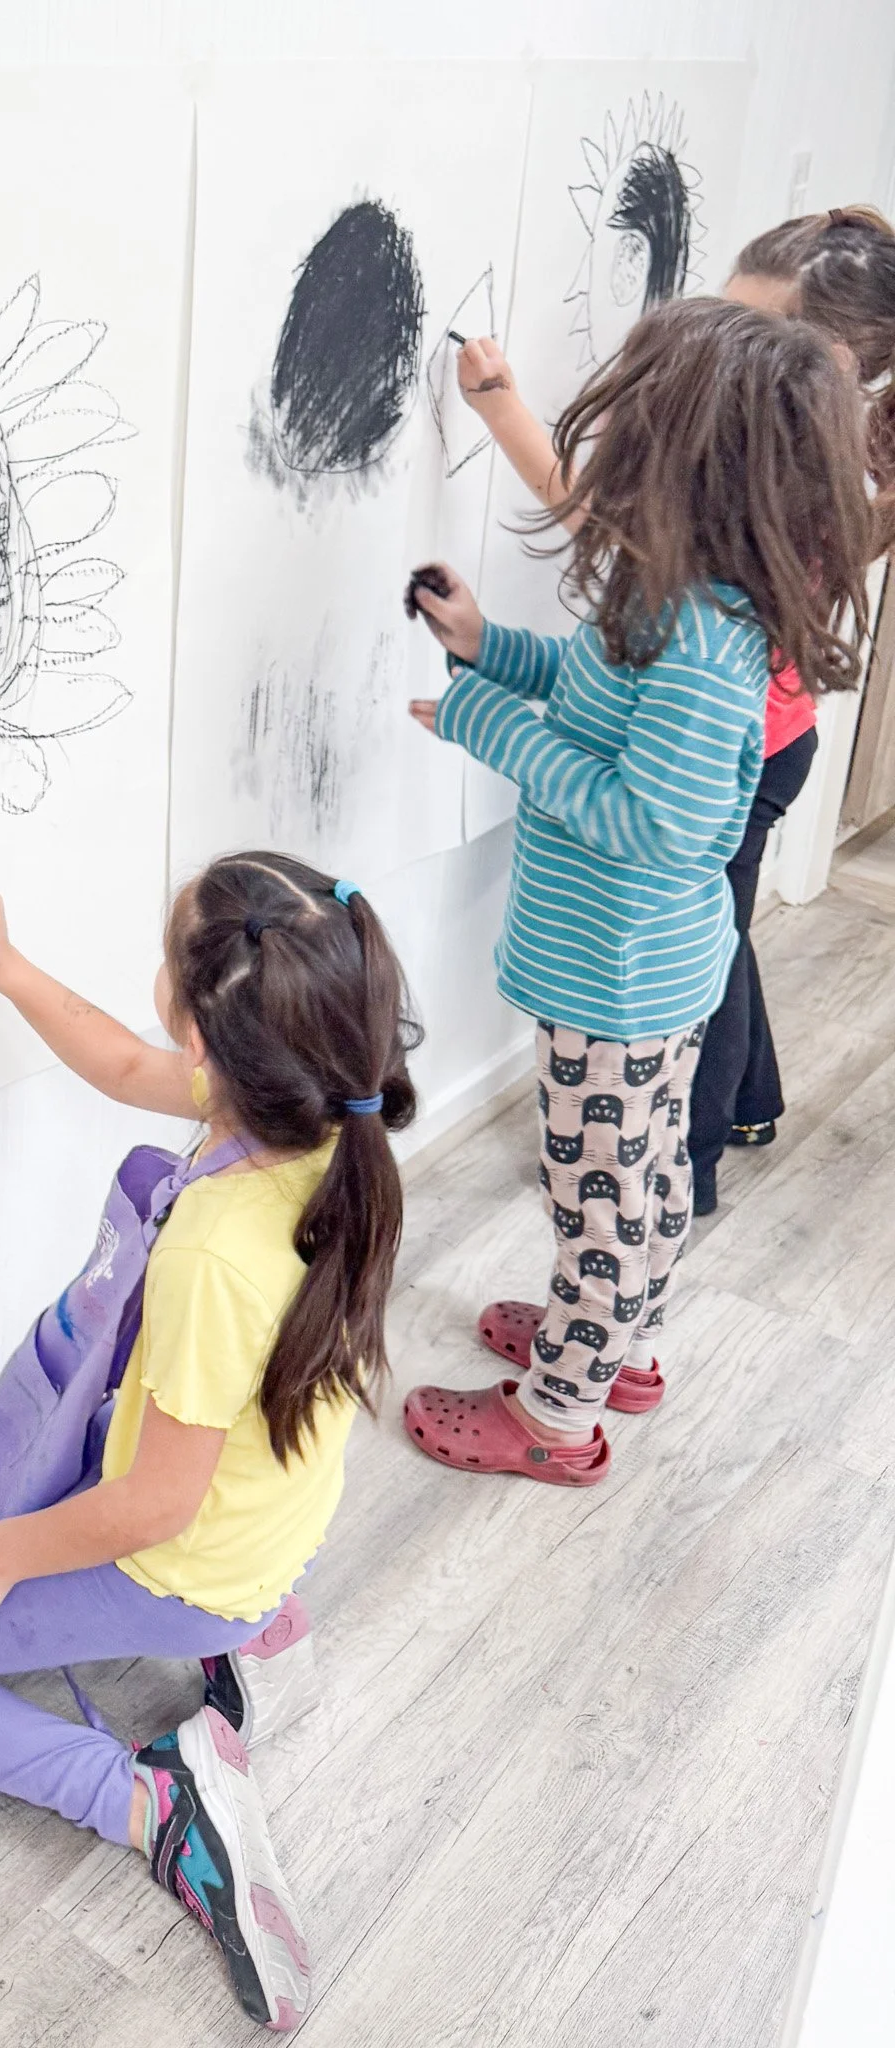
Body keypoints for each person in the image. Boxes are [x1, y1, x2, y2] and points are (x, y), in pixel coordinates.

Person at [0, 853, 421, 2035]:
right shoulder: (320, 1119)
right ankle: (252, 1621)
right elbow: (115, 1060)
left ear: (200, 1025)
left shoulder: (214, 1247)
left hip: (187, 1562)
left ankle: (153, 1801)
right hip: (275, 1523)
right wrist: (0, 963)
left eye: (161, 950)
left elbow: (151, 1504)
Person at [404, 297, 872, 1479]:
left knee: (603, 1202)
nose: (608, 457)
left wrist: (482, 723)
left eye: (635, 434)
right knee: (646, 1174)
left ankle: (556, 1413)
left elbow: (650, 824)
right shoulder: (678, 599)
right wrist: (485, 649)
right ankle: (617, 1345)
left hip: (617, 982)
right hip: (643, 970)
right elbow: (589, 683)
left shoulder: (703, 640)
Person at [453, 206, 895, 1214]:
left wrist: (494, 719)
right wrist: (502, 412)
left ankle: (685, 1162)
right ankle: (731, 1112)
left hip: (728, 753)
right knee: (712, 939)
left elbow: (597, 519)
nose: (707, 354)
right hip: (738, 742)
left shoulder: (778, 495)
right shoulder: (787, 455)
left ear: (815, 364)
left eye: (737, 335)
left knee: (708, 950)